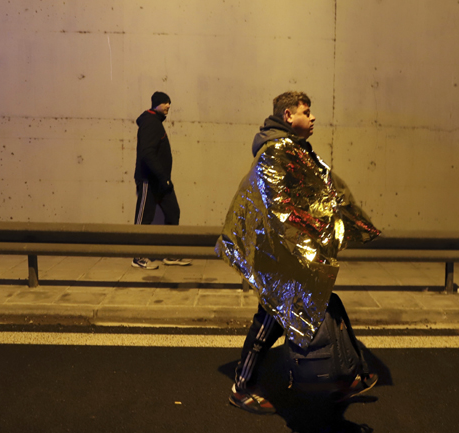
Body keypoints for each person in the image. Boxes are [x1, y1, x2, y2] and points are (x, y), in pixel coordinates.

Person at [216, 91, 381, 415]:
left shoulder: (289, 149)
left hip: (291, 250)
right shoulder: (278, 150)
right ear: (289, 115)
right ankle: (242, 387)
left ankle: (340, 377)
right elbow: (280, 204)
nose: (314, 116)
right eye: (307, 111)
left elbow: (313, 193)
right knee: (270, 321)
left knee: (313, 309)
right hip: (282, 253)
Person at [131, 91, 191, 269]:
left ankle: (171, 254)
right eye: (165, 103)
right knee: (144, 219)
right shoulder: (150, 123)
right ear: (156, 104)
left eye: (169, 103)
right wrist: (161, 176)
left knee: (173, 212)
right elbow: (147, 153)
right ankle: (138, 257)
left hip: (160, 180)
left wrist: (164, 179)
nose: (168, 106)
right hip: (149, 179)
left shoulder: (155, 122)